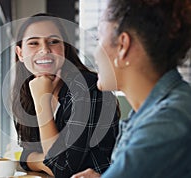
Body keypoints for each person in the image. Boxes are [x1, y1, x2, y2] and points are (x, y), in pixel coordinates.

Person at [72, 0, 191, 178]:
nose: (95, 54)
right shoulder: (152, 112)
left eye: (98, 39)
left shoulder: (167, 120)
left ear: (122, 46)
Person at [11, 13, 120, 177]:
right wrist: (41, 160)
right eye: (34, 43)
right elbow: (26, 154)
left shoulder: (86, 89)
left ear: (64, 48)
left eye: (54, 42)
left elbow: (62, 169)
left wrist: (43, 102)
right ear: (20, 53)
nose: (45, 50)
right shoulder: (29, 89)